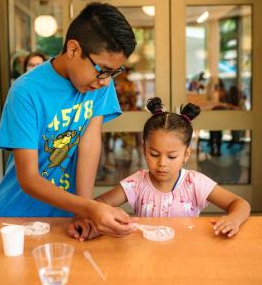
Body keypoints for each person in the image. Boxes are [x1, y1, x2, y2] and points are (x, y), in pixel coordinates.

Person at [0, 2, 137, 237]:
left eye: (113, 72)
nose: (105, 81)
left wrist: (82, 208)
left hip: (68, 216)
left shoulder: (99, 84)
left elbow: (89, 143)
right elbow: (28, 178)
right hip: (20, 217)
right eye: (102, 70)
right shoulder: (26, 92)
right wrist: (90, 207)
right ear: (73, 50)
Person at [70, 97, 250, 240]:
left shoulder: (194, 182)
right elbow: (99, 204)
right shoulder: (137, 183)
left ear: (186, 154)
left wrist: (233, 219)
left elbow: (240, 204)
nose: (162, 163)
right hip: (147, 254)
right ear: (144, 150)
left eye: (172, 156)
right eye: (154, 154)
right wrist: (105, 216)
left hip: (187, 252)